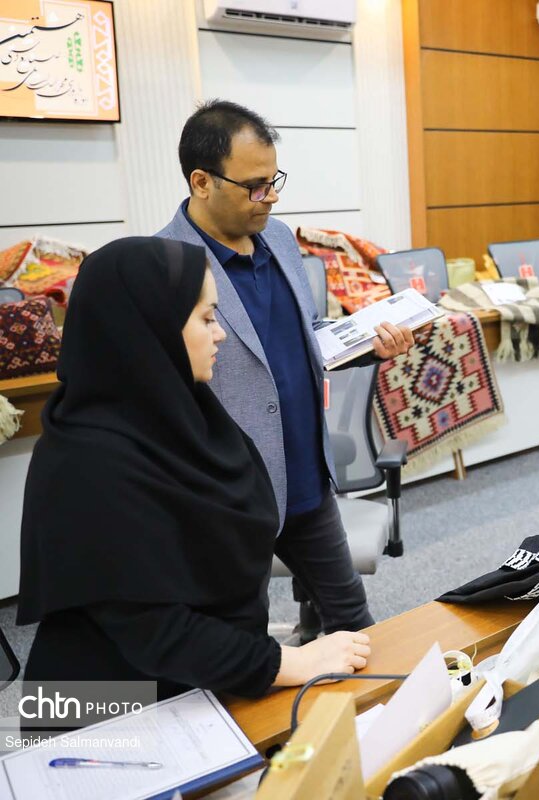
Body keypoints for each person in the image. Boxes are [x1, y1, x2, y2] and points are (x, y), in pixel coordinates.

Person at [18, 238, 370, 711]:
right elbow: (154, 631)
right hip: (112, 707)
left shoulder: (189, 415)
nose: (220, 334)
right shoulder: (85, 462)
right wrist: (289, 662)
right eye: (206, 318)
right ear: (150, 328)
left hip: (207, 678)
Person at [157, 100, 414, 634]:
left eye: (274, 181)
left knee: (354, 622)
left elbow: (306, 334)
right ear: (201, 182)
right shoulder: (163, 265)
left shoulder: (277, 238)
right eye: (255, 186)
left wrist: (367, 343)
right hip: (228, 499)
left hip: (305, 475)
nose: (270, 197)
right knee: (240, 641)